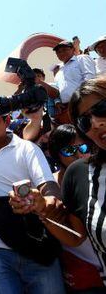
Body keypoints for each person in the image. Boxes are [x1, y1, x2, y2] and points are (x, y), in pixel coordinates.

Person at [0, 99, 65, 293]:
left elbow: (48, 184)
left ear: (7, 120)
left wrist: (49, 201)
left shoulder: (27, 149)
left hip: (34, 246)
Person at [22, 76, 106, 291]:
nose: (96, 122)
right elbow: (76, 236)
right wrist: (43, 212)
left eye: (102, 108)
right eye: (85, 121)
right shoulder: (79, 176)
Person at [47, 124, 104, 292]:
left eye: (84, 147)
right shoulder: (49, 184)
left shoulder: (101, 176)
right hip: (79, 274)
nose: (79, 154)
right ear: (55, 153)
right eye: (69, 151)